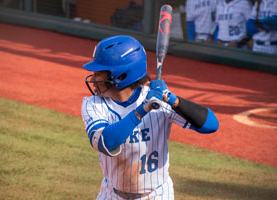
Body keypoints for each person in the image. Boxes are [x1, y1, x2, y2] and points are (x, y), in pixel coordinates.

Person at [81, 35, 219, 199]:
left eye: (98, 74)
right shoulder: (93, 104)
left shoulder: (158, 99)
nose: (94, 79)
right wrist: (143, 110)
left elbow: (211, 125)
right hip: (111, 194)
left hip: (156, 195)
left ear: (120, 76)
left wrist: (172, 99)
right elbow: (106, 142)